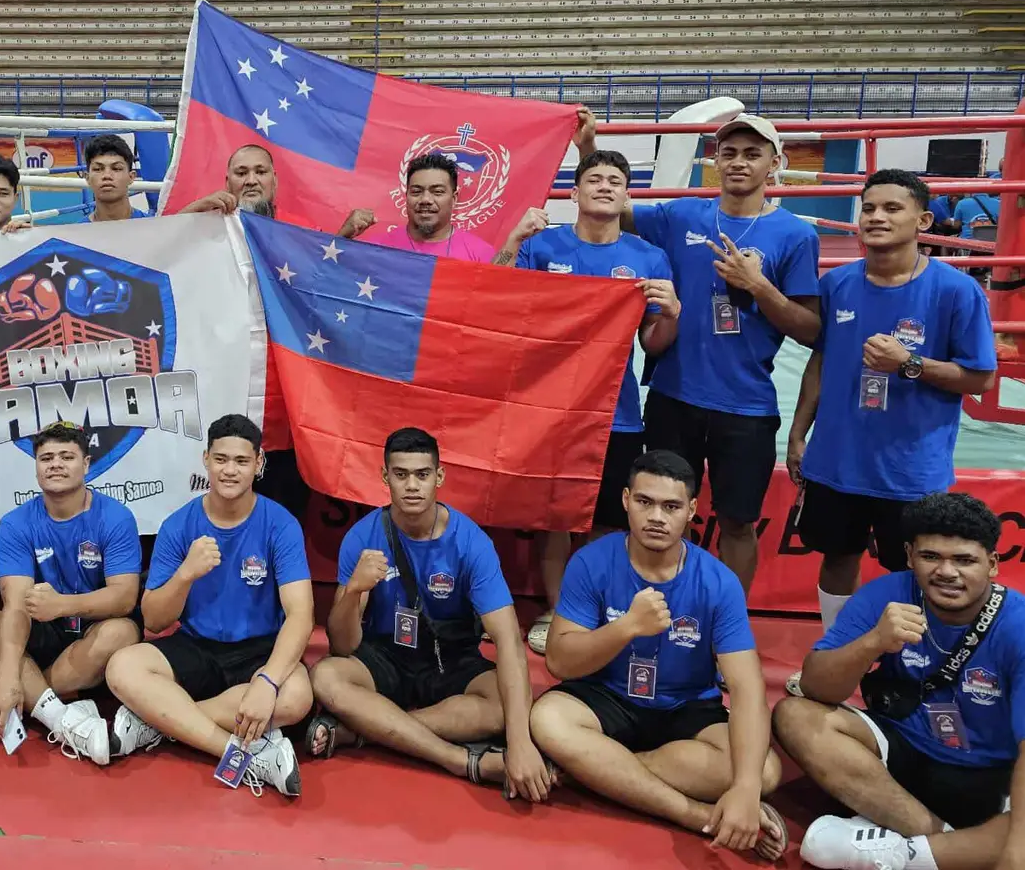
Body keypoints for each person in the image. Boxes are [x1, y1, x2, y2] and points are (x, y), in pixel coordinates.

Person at [581, 114, 821, 594]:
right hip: (673, 397)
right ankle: (658, 602)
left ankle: (727, 619)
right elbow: (607, 203)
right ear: (714, 160)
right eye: (729, 152)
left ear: (776, 163)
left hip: (746, 405)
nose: (738, 162)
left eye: (752, 154)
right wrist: (588, 146)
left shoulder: (796, 235)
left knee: (736, 523)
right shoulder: (681, 216)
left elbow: (811, 329)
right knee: (659, 512)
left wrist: (758, 287)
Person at [530, 450, 787, 861]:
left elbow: (747, 690)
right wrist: (626, 626)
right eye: (646, 502)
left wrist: (744, 790)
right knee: (547, 719)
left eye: (671, 506)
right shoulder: (591, 562)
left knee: (765, 772)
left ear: (691, 512)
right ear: (626, 500)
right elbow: (560, 661)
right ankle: (694, 814)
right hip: (606, 698)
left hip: (684, 708)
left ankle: (595, 772)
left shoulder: (718, 582)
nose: (656, 517)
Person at [787, 171, 996, 665]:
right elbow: (820, 360)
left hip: (910, 470)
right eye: (869, 208)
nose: (876, 217)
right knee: (837, 558)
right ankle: (837, 653)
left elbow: (980, 378)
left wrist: (910, 363)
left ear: (923, 220)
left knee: (914, 571)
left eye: (891, 208)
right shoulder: (836, 283)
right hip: (836, 461)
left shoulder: (954, 290)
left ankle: (914, 669)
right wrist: (798, 432)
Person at [775, 493, 1025, 870]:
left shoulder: (1018, 626)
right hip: (898, 760)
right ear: (909, 556)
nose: (947, 572)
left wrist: (1015, 855)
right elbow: (815, 688)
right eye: (931, 557)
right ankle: (943, 841)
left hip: (992, 776)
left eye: (964, 560)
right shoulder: (887, 594)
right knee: (795, 716)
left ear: (992, 564)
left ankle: (902, 854)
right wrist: (873, 642)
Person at [307, 427, 553, 799]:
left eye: (422, 475)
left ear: (439, 477)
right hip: (386, 657)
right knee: (326, 676)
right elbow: (343, 646)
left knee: (511, 707)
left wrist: (519, 744)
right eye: (401, 474)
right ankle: (456, 759)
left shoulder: (471, 542)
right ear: (384, 476)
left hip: (451, 660)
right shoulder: (363, 537)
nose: (412, 486)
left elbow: (507, 641)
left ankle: (364, 730)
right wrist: (354, 590)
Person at [499, 149, 680, 654]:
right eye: (594, 178)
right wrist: (513, 241)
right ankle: (559, 613)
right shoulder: (542, 246)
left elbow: (654, 344)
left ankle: (596, 611)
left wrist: (672, 312)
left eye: (615, 180)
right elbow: (507, 309)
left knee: (604, 519)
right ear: (573, 193)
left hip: (616, 413)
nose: (604, 186)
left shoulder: (648, 258)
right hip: (550, 410)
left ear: (627, 196)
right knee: (556, 518)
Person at [104, 414, 313, 797]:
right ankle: (242, 752)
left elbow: (301, 615)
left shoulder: (280, 525)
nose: (229, 470)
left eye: (241, 461)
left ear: (259, 463)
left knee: (297, 695)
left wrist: (266, 682)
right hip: (196, 646)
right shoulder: (179, 525)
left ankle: (160, 720)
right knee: (123, 666)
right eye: (221, 459)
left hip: (259, 650)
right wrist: (185, 574)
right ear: (205, 460)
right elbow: (153, 619)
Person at [0, 421, 142, 763]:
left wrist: (63, 605)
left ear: (87, 464)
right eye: (46, 458)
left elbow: (123, 598)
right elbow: (16, 605)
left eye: (67, 456)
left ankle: (0, 700)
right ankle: (63, 720)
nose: (56, 464)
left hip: (92, 628)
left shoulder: (116, 517)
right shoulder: (16, 523)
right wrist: (7, 676)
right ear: (35, 467)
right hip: (40, 630)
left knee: (121, 634)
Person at [337, 152, 497, 261]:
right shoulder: (377, 248)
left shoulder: (481, 255)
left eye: (437, 192)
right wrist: (341, 237)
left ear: (454, 199)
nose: (425, 199)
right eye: (416, 191)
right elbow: (325, 280)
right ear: (406, 196)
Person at [179, 144, 283, 220]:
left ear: (275, 180)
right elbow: (166, 243)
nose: (251, 181)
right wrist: (196, 208)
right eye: (241, 173)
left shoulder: (296, 228)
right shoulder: (211, 223)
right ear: (228, 183)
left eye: (260, 172)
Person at [82, 134, 151, 223]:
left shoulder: (152, 230)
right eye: (98, 169)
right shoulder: (74, 235)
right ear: (87, 178)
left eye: (116, 168)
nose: (107, 175)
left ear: (131, 177)